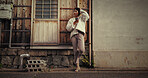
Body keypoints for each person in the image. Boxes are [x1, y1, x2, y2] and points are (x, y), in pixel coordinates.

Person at [66, 8, 89, 72]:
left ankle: (76, 60)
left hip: (80, 34)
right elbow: (68, 28)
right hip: (73, 35)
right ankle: (77, 66)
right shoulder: (71, 20)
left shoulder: (82, 18)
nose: (74, 12)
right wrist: (74, 23)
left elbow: (87, 16)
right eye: (74, 11)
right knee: (75, 50)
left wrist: (80, 10)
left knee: (82, 49)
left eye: (76, 11)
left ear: (78, 12)